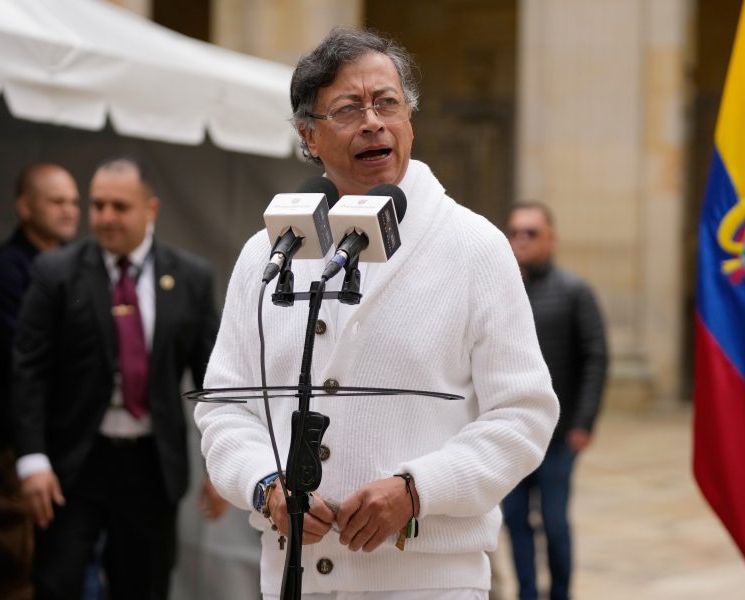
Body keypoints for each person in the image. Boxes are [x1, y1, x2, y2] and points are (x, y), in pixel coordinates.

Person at [195, 27, 560, 600]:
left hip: (429, 584)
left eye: (387, 103)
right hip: (292, 579)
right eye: (348, 109)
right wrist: (265, 485)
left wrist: (418, 490)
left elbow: (524, 415)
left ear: (409, 119)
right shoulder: (265, 255)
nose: (373, 122)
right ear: (308, 135)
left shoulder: (475, 248)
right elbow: (225, 409)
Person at [11, 156, 220, 600]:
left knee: (143, 586)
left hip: (151, 465)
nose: (105, 217)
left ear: (151, 209)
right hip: (73, 462)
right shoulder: (56, 272)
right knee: (56, 583)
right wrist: (32, 459)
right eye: (97, 205)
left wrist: (220, 465)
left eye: (119, 207)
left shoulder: (191, 277)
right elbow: (28, 369)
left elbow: (211, 378)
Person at [500, 203, 608, 600]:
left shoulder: (575, 291)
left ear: (552, 239)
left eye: (531, 232)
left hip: (559, 436)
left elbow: (595, 356)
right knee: (513, 519)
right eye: (515, 232)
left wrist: (584, 422)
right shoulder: (503, 291)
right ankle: (527, 592)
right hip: (510, 435)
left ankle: (561, 593)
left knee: (554, 521)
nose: (521, 240)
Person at [0, 163, 80, 600]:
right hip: (15, 445)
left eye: (74, 202)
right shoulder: (6, 271)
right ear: (25, 207)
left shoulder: (77, 267)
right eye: (56, 201)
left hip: (67, 443)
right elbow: (25, 360)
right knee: (18, 562)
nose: (69, 211)